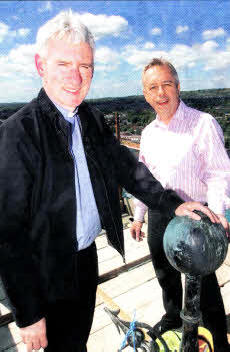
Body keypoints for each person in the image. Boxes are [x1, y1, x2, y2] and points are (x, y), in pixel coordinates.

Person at [0, 12, 225, 352]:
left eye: (86, 67)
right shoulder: (18, 133)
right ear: (40, 65)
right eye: (64, 64)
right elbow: (8, 233)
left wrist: (171, 203)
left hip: (85, 256)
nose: (76, 77)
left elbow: (127, 168)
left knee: (77, 339)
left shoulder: (89, 118)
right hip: (46, 268)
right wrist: (28, 313)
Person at [130, 58, 230, 352]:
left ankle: (218, 338)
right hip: (162, 215)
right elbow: (143, 180)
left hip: (196, 216)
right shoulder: (148, 134)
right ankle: (174, 318)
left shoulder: (203, 123)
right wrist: (138, 216)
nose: (160, 93)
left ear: (178, 86)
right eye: (152, 87)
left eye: (166, 84)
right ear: (146, 95)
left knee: (204, 284)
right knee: (165, 274)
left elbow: (218, 173)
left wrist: (216, 216)